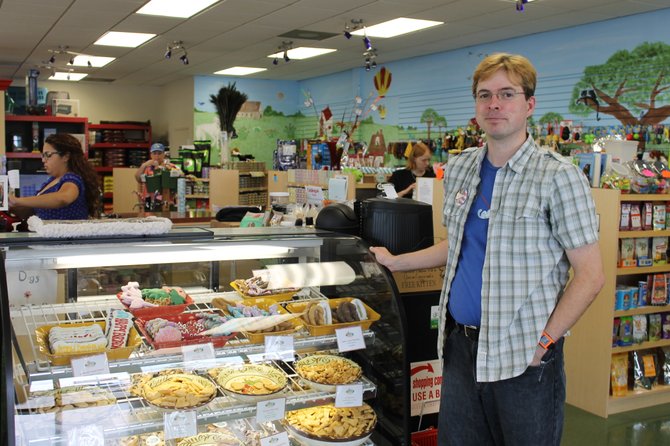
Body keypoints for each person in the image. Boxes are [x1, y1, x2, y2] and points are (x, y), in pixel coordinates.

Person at [370, 53, 604, 446]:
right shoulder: (460, 168)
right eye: (485, 95)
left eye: (507, 94)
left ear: (529, 104)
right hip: (461, 348)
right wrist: (395, 263)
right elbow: (457, 245)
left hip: (524, 356)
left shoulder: (558, 177)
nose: (494, 104)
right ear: (476, 105)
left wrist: (544, 343)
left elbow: (591, 275)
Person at [9, 133, 100, 220]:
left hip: (65, 235)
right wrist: (8, 205)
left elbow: (63, 198)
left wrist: (18, 200)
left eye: (48, 155)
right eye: (43, 155)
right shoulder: (52, 180)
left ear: (65, 156)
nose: (43, 160)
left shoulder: (72, 179)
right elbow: (34, 212)